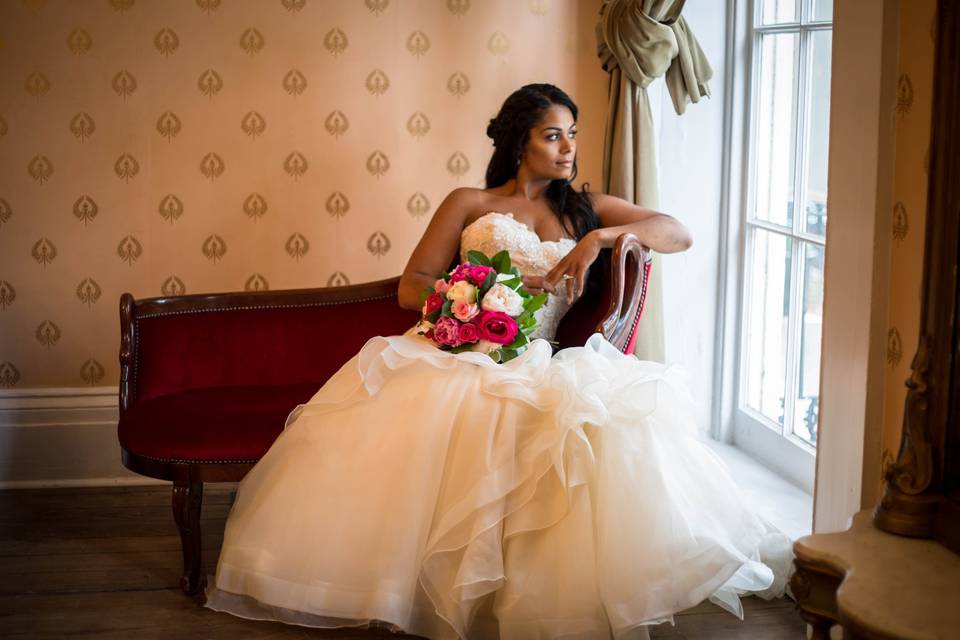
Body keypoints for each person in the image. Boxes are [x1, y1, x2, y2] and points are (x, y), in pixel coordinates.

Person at [204, 84, 789, 639]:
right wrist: (469, 298)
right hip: (460, 351)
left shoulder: (587, 209)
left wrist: (597, 240)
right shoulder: (470, 203)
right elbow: (413, 285)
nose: (569, 148)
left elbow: (678, 233)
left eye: (573, 134)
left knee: (576, 428)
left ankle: (524, 595)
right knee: (444, 414)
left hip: (542, 357)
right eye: (553, 135)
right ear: (519, 143)